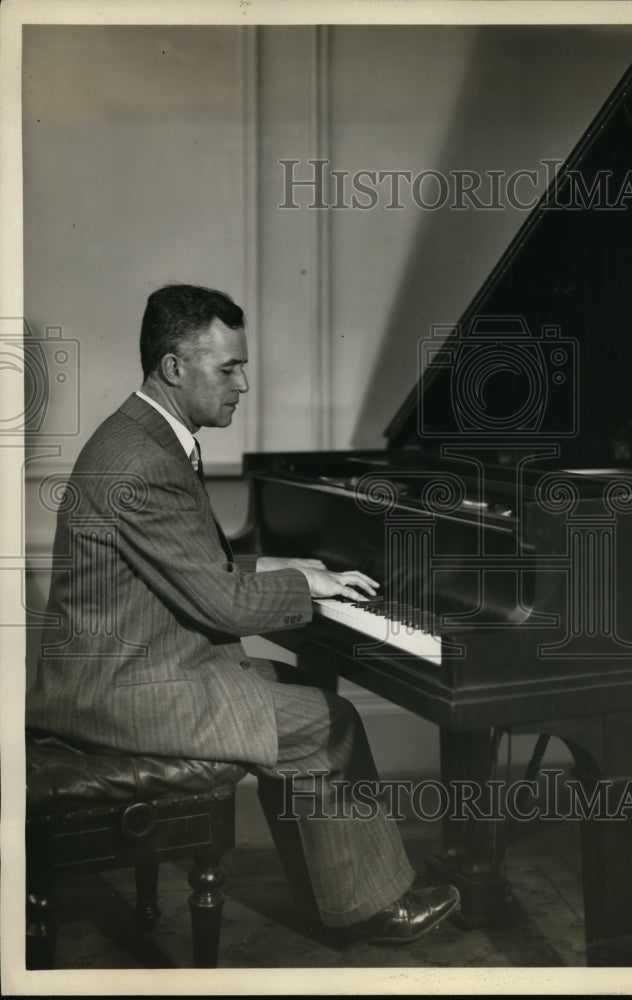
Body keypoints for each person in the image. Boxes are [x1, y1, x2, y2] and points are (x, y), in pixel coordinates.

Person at [26, 283, 460, 945]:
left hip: (131, 665)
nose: (244, 384)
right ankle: (373, 907)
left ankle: (339, 897)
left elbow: (197, 570)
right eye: (228, 368)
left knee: (296, 698)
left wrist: (301, 575)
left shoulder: (142, 437)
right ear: (174, 368)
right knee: (327, 723)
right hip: (116, 692)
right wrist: (303, 587)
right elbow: (223, 600)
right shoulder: (143, 461)